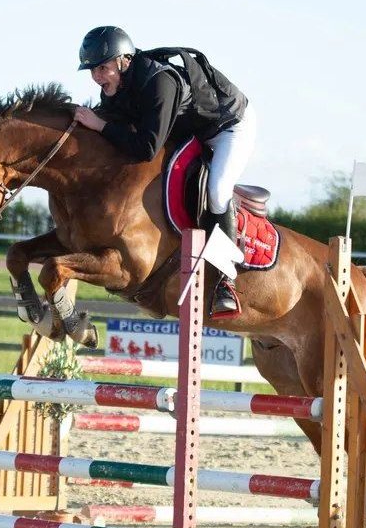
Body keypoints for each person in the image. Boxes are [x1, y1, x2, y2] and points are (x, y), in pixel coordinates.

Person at [73, 25, 257, 319]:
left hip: (227, 128)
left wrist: (100, 126)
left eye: (102, 68)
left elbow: (145, 146)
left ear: (123, 60)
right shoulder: (115, 88)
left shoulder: (160, 82)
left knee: (218, 191)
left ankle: (226, 280)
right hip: (189, 131)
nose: (96, 77)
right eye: (91, 71)